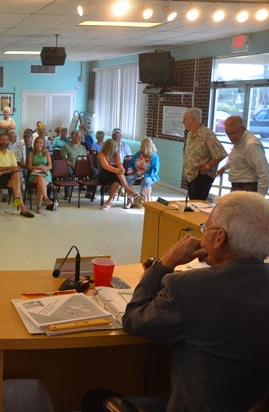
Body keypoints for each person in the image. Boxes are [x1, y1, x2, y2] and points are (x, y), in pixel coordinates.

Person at [98, 191, 269, 412]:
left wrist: (165, 262)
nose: (202, 233)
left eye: (205, 228)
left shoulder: (188, 287)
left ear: (219, 238)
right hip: (250, 404)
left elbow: (132, 319)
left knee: (95, 397)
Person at [217, 115, 269, 196]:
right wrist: (224, 168)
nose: (231, 137)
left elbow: (264, 173)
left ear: (242, 128)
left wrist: (259, 198)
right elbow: (238, 159)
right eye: (228, 134)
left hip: (248, 188)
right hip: (238, 187)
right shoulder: (239, 141)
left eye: (234, 133)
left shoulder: (251, 145)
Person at [182, 107, 227, 200]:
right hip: (191, 175)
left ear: (193, 119)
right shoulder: (190, 134)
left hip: (202, 176)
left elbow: (221, 154)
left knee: (197, 204)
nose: (183, 122)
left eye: (185, 119)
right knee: (192, 203)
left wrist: (207, 166)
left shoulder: (207, 134)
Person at [0, 133, 34, 218]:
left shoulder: (11, 153)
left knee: (17, 174)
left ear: (8, 141)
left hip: (7, 174)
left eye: (6, 140)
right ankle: (22, 207)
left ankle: (18, 201)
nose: (4, 142)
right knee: (17, 183)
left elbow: (16, 168)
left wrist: (4, 171)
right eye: (2, 140)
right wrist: (9, 168)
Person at [97, 139, 141, 210]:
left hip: (113, 173)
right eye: (116, 147)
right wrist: (118, 170)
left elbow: (119, 163)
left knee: (117, 182)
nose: (117, 148)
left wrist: (122, 169)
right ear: (110, 147)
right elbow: (106, 166)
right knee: (118, 173)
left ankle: (109, 201)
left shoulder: (115, 153)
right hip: (103, 174)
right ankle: (129, 191)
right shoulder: (102, 154)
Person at [125, 137, 160, 208]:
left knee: (146, 181)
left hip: (148, 175)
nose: (140, 147)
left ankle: (147, 200)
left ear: (146, 147)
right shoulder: (139, 153)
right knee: (128, 179)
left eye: (142, 146)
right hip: (137, 172)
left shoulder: (154, 157)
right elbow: (131, 162)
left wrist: (144, 175)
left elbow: (154, 170)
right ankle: (130, 201)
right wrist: (130, 169)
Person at [28, 136, 54, 213]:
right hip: (34, 174)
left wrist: (45, 167)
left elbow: (50, 166)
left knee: (40, 181)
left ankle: (39, 207)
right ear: (35, 143)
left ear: (43, 144)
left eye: (41, 143)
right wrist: (38, 166)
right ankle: (46, 198)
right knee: (39, 178)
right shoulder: (31, 153)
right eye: (37, 142)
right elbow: (30, 167)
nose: (39, 144)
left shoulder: (47, 153)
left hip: (46, 174)